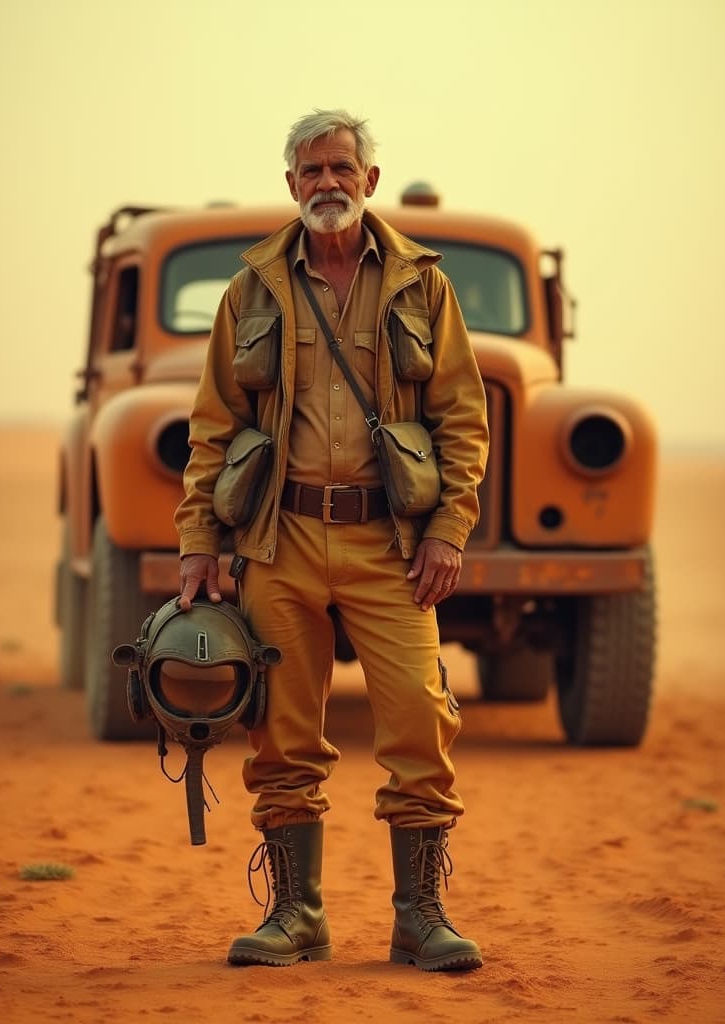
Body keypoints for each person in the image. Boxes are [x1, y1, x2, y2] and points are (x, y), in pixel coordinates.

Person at [174, 109, 489, 971]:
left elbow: (463, 415)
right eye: (309, 171)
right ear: (290, 186)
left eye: (340, 168)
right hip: (281, 540)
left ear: (369, 181)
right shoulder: (251, 289)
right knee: (280, 732)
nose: (326, 184)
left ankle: (421, 917)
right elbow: (215, 424)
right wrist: (199, 540)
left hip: (390, 545)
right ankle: (296, 915)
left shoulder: (423, 285)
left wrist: (448, 530)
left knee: (421, 722)